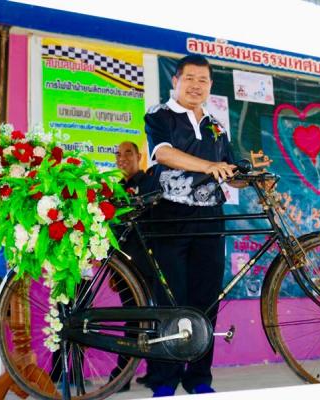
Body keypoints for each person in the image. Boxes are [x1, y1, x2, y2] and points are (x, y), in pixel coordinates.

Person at [144, 54, 238, 397]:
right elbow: (163, 154)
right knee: (171, 300)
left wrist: (251, 177)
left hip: (211, 217)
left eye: (203, 80)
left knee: (206, 300)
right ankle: (164, 381)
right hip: (170, 214)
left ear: (210, 85)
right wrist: (209, 165)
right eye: (190, 78)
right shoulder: (160, 115)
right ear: (176, 81)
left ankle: (199, 378)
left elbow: (230, 170)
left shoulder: (216, 125)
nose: (197, 86)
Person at [110, 141, 155, 391]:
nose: (122, 158)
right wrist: (112, 271)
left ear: (139, 156)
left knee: (151, 317)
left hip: (148, 263)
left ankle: (143, 373)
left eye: (128, 153)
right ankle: (128, 375)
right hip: (123, 267)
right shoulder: (115, 189)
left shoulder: (149, 183)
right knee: (134, 317)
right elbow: (114, 233)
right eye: (118, 154)